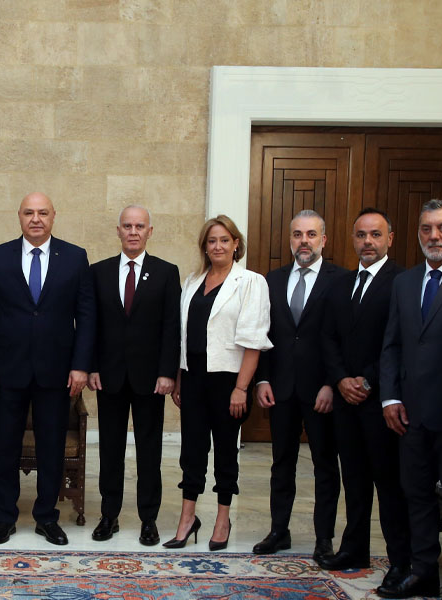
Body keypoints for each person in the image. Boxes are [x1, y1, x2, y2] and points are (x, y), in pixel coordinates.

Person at [0, 192, 95, 547]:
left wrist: (80, 366)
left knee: (51, 447)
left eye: (43, 213)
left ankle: (46, 518)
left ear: (53, 216)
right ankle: (4, 518)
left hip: (56, 372)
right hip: (7, 371)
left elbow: (86, 316)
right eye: (29, 212)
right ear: (19, 216)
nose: (36, 219)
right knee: (5, 447)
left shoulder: (75, 257)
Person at [379, 199, 442, 600]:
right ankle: (423, 573)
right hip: (410, 414)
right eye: (426, 229)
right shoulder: (404, 282)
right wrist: (389, 398)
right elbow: (392, 344)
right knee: (416, 496)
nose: (434, 236)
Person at [166, 215, 271, 551]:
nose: (218, 246)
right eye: (212, 241)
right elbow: (184, 336)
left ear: (236, 244)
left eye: (224, 240)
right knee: (192, 451)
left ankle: (223, 519)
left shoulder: (251, 282)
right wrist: (179, 377)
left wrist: (242, 388)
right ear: (204, 246)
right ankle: (187, 518)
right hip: (193, 377)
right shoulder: (192, 281)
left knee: (226, 451)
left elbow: (254, 341)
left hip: (229, 381)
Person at [320, 207, 410, 592]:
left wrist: (367, 381)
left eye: (375, 234)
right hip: (346, 401)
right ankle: (354, 549)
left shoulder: (403, 282)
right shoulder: (341, 284)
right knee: (354, 480)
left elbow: (399, 341)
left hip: (382, 402)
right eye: (361, 235)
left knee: (389, 485)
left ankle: (400, 561)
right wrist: (341, 379)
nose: (367, 242)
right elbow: (327, 337)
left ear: (390, 238)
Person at [86, 205, 179, 546]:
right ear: (118, 231)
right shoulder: (98, 272)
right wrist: (92, 366)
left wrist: (167, 372)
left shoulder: (166, 272)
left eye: (140, 226)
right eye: (127, 226)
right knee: (110, 449)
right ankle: (108, 515)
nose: (133, 232)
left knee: (149, 451)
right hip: (108, 376)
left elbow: (172, 327)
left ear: (150, 231)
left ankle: (148, 519)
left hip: (150, 379)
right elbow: (90, 325)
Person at [253, 209, 342, 564]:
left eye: (311, 234)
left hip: (321, 391)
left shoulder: (341, 280)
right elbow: (262, 333)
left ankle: (324, 538)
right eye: (297, 234)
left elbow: (343, 338)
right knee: (281, 463)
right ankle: (279, 531)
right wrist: (262, 378)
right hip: (281, 388)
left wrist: (332, 384)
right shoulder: (272, 280)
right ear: (290, 239)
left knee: (325, 465)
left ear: (324, 240)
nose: (304, 241)